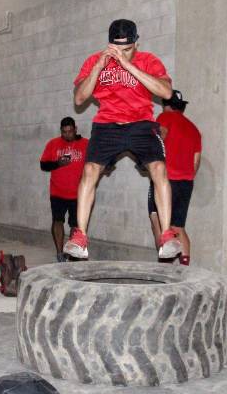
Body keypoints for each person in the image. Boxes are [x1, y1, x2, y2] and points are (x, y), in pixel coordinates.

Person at [63, 19, 181, 260]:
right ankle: (80, 237)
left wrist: (128, 65)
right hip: (107, 125)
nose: (121, 53)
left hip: (141, 123)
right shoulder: (95, 60)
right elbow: (79, 99)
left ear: (136, 43)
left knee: (158, 168)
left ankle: (167, 235)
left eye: (127, 49)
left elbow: (166, 92)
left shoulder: (149, 60)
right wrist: (98, 66)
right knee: (89, 170)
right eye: (117, 48)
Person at [148, 90, 201, 265]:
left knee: (159, 223)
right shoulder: (194, 128)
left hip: (166, 180)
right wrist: (186, 176)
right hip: (186, 182)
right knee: (178, 227)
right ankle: (185, 270)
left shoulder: (164, 118)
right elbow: (196, 160)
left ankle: (164, 270)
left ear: (166, 105)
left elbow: (159, 135)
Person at [40, 117, 88, 262]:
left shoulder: (85, 144)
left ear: (75, 129)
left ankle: (73, 253)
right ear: (61, 131)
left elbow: (93, 163)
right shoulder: (53, 143)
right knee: (57, 221)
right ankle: (60, 254)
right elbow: (43, 165)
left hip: (77, 193)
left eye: (70, 131)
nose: (67, 134)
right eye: (64, 132)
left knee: (76, 225)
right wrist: (58, 164)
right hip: (57, 192)